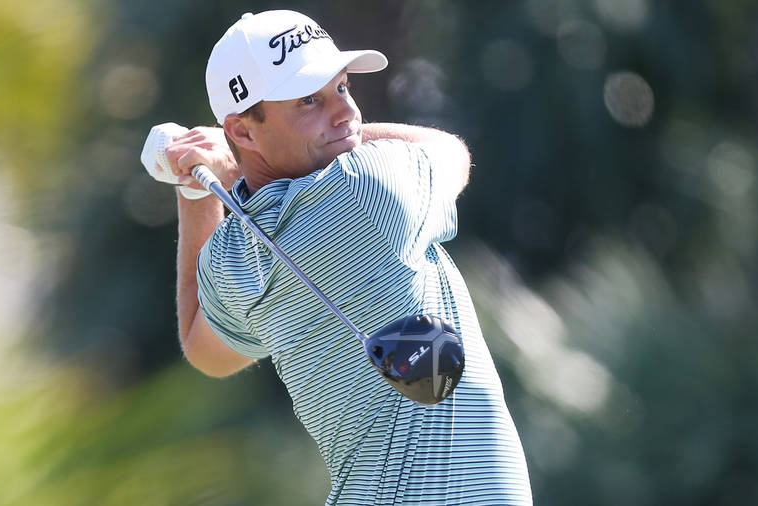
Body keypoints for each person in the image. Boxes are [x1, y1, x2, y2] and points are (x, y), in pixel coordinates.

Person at [153, 9, 532, 505]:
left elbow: (203, 349)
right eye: (309, 100)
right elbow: (448, 149)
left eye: (343, 88)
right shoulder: (370, 185)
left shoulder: (230, 259)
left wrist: (199, 189)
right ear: (243, 132)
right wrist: (225, 174)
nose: (347, 113)